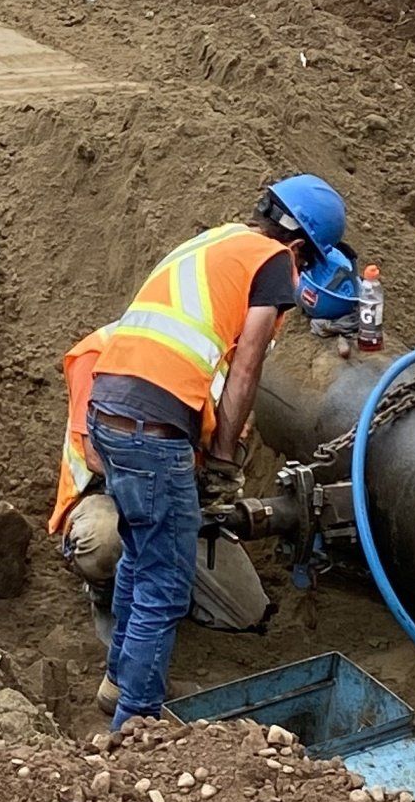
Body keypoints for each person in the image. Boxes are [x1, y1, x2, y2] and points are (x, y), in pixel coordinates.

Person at [52, 177, 350, 726]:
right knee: (165, 582)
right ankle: (138, 726)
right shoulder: (273, 263)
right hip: (152, 425)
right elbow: (247, 368)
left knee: (142, 560)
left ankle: (120, 685)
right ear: (303, 248)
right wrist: (220, 457)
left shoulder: (217, 242)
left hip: (112, 409)